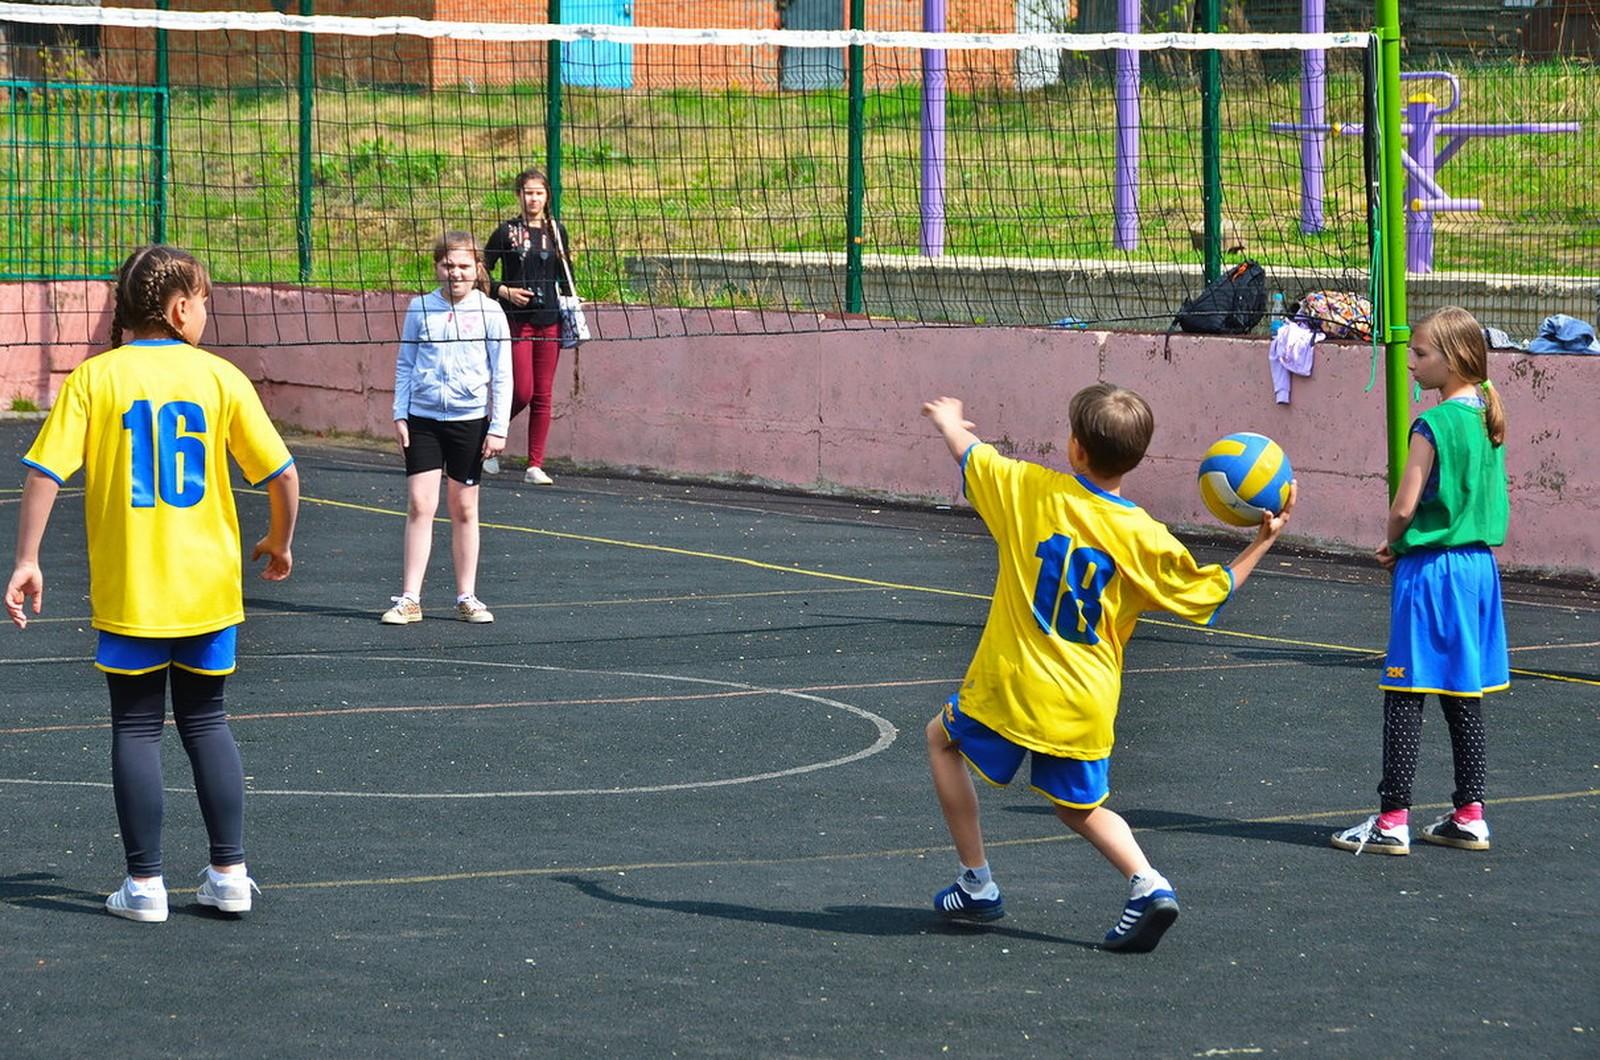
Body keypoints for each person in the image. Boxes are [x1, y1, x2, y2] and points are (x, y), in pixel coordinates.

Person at [921, 384, 1296, 952]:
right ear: (1139, 458)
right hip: (1085, 700)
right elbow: (1209, 593)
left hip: (1013, 685)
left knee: (941, 741)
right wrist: (1262, 543)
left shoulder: (1027, 489)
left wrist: (950, 420)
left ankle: (976, 882)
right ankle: (1147, 883)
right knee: (1082, 809)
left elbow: (970, 456)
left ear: (1074, 449)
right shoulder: (1144, 536)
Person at [6, 244, 299, 923]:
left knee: (136, 727)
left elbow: (44, 473)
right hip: (207, 592)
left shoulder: (93, 380)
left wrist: (27, 559)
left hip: (133, 590)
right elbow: (283, 476)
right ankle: (229, 872)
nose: (207, 316)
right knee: (207, 721)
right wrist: (278, 541)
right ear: (178, 308)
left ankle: (144, 887)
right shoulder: (220, 378)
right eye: (206, 304)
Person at [1331, 306, 1509, 856]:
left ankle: (1391, 820)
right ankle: (1470, 813)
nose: (1411, 362)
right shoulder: (1485, 413)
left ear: (1455, 360)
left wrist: (1395, 543)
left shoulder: (1432, 424)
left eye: (1422, 353)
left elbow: (1405, 505)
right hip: (1479, 572)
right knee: (1463, 691)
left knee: (1405, 691)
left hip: (1433, 571)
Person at [383, 230, 512, 625]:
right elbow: (405, 364)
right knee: (421, 504)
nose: (455, 273)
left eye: (463, 266)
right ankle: (409, 599)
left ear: (477, 269)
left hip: (469, 420)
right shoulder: (420, 308)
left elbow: (503, 373)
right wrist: (400, 413)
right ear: (437, 267)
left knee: (464, 508)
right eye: (447, 265)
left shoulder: (491, 312)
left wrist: (499, 426)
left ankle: (466, 596)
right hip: (422, 419)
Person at [483, 166, 575, 486]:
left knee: (544, 395)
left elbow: (566, 274)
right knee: (522, 391)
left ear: (547, 196)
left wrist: (573, 301)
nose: (533, 198)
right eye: (528, 192)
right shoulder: (506, 232)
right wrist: (504, 291)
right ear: (518, 195)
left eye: (539, 192)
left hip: (550, 321)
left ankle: (535, 464)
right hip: (516, 322)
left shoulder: (556, 231)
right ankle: (487, 438)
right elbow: (481, 271)